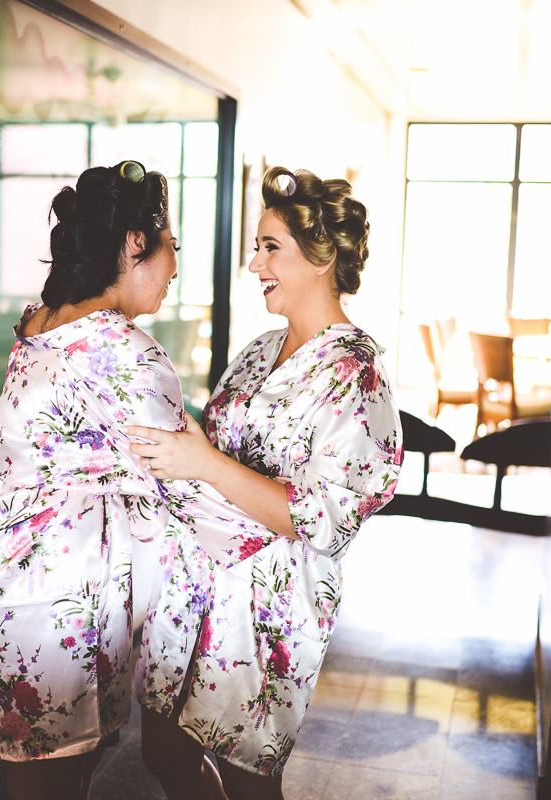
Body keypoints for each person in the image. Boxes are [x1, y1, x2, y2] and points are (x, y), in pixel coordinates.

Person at [0, 161, 275, 800]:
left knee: (44, 779)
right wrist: (284, 523)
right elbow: (186, 484)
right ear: (135, 244)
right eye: (171, 246)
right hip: (52, 603)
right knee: (56, 783)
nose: (176, 266)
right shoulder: (123, 353)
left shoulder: (39, 322)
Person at [128, 166, 403, 799]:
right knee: (163, 750)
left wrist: (205, 465)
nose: (254, 264)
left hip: (269, 604)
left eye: (269, 246)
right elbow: (215, 446)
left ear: (323, 257)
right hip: (192, 582)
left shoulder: (356, 377)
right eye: (257, 246)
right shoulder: (259, 349)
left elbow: (322, 519)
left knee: (252, 781)